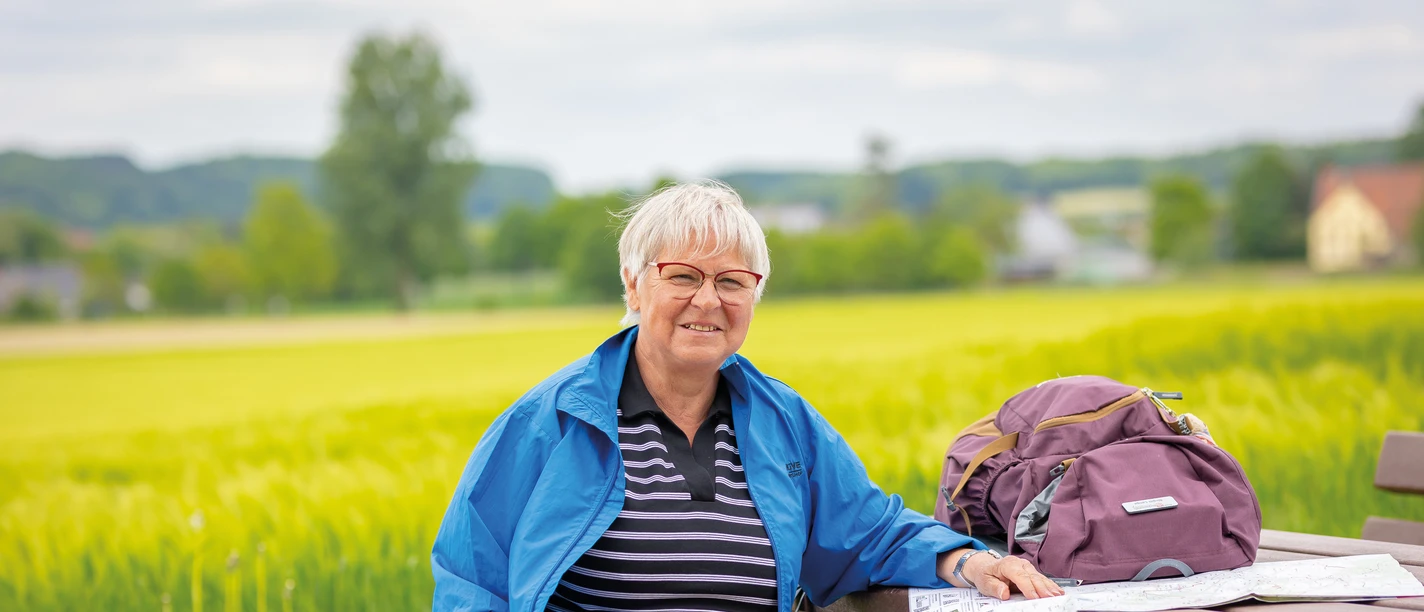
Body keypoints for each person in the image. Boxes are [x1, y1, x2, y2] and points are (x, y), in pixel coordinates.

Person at [431, 181, 1064, 612]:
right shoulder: (551, 423)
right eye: (682, 276)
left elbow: (868, 533)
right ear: (633, 283)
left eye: (733, 282)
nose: (708, 300)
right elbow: (471, 577)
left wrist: (968, 563)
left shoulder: (783, 422)